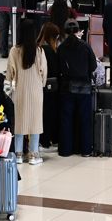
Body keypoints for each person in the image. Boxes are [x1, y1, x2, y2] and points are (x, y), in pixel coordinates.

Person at [6, 19, 47, 165]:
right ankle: (33, 155)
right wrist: (40, 85)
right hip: (36, 91)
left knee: (19, 122)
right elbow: (44, 73)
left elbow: (10, 73)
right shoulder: (39, 51)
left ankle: (18, 154)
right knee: (35, 123)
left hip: (20, 91)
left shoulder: (14, 51)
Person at [58, 19, 97, 157]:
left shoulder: (61, 47)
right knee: (85, 120)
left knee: (66, 120)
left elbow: (59, 67)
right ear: (78, 30)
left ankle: (65, 150)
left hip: (67, 87)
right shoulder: (85, 46)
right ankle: (86, 149)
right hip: (84, 87)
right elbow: (93, 66)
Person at [37, 22, 61, 151]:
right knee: (50, 114)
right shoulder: (50, 51)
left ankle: (42, 140)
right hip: (51, 88)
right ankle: (48, 140)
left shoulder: (38, 48)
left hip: (40, 86)